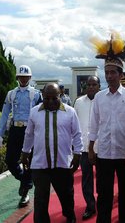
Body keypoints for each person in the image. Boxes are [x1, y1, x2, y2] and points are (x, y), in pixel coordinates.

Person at [88, 31, 125, 223]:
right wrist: (90, 148)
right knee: (104, 193)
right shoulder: (99, 98)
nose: (109, 76)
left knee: (124, 192)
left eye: (113, 72)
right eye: (107, 73)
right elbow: (94, 124)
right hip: (104, 153)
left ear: (120, 74)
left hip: (124, 152)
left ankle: (123, 220)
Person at [20, 83, 83, 223]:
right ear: (42, 96)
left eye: (54, 98)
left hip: (62, 163)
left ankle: (70, 216)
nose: (51, 102)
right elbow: (29, 134)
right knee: (40, 199)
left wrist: (77, 153)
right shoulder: (34, 112)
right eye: (47, 98)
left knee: (66, 195)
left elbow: (77, 134)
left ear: (60, 95)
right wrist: (25, 152)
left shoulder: (70, 112)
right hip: (40, 164)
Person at [0, 65, 42, 208]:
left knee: (28, 160)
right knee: (10, 160)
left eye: (26, 76)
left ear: (30, 78)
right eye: (21, 77)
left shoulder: (36, 94)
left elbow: (41, 114)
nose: (23, 79)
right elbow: (4, 114)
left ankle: (25, 193)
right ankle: (26, 181)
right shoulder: (11, 94)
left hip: (30, 130)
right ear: (17, 78)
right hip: (16, 129)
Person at [73, 75, 100, 220]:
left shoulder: (103, 101)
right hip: (84, 149)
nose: (91, 87)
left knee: (102, 180)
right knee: (86, 180)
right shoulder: (78, 102)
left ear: (99, 86)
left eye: (94, 84)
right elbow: (74, 126)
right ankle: (90, 206)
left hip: (101, 149)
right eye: (88, 84)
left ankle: (102, 205)